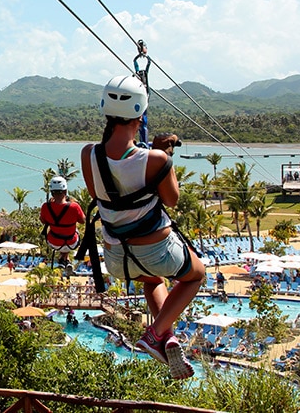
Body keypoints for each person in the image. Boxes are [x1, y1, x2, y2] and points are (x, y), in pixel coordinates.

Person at [79, 75, 203, 380]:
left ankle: (166, 338)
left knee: (152, 282)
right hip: (156, 249)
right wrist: (165, 158)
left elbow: (100, 193)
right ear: (141, 114)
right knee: (196, 276)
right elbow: (172, 200)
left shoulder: (87, 154)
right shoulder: (157, 158)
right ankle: (156, 332)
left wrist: (152, 156)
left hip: (117, 257)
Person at [40, 176, 87, 267]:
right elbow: (82, 221)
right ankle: (66, 259)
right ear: (65, 191)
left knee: (57, 233)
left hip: (54, 243)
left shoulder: (46, 207)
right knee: (75, 231)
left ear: (52, 193)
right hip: (72, 243)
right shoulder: (74, 206)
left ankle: (63, 259)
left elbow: (43, 221)